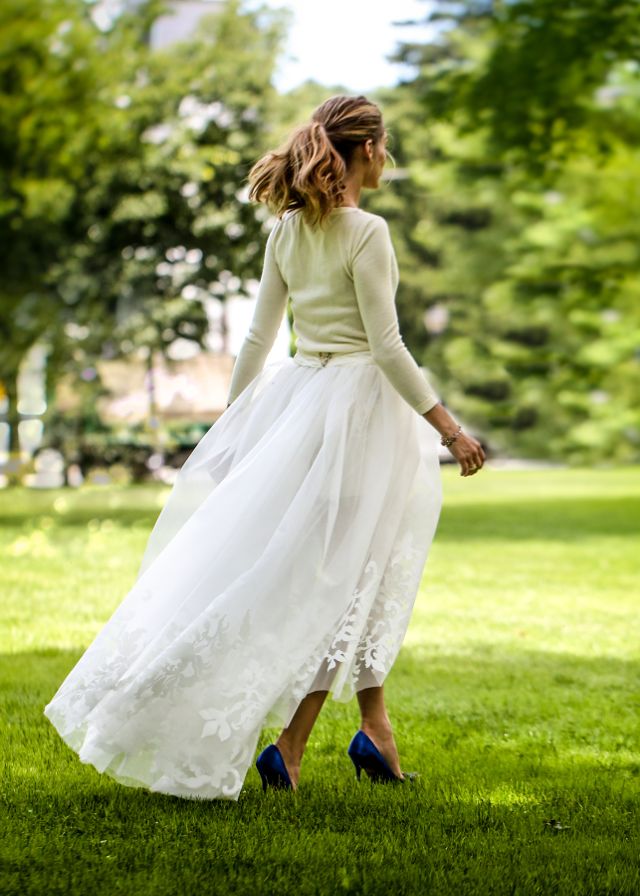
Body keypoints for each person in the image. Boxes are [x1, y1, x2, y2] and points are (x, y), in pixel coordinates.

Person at [43, 95, 485, 800]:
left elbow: (256, 341)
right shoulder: (366, 231)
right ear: (365, 149)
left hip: (302, 405)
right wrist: (449, 427)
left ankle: (374, 729)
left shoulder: (286, 233)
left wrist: (239, 426)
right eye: (384, 145)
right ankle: (292, 744)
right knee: (346, 579)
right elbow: (387, 346)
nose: (387, 157)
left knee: (356, 574)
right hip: (362, 417)